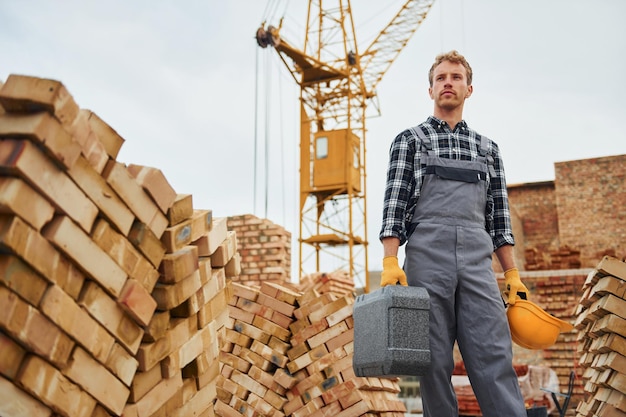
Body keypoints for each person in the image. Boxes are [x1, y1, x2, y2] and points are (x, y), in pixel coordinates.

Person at [378, 50, 529, 417]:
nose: (448, 82)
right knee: (432, 361)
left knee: (493, 352)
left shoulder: (488, 149)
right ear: (430, 89)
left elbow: (499, 219)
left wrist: (511, 274)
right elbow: (394, 205)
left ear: (469, 89)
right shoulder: (409, 141)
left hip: (478, 261)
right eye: (441, 77)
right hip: (427, 257)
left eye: (456, 77)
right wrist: (389, 262)